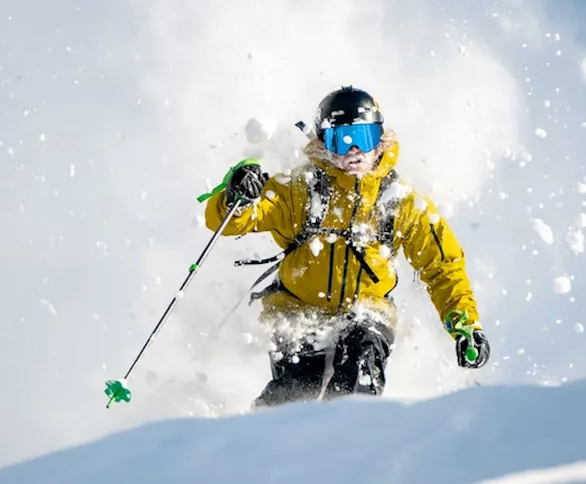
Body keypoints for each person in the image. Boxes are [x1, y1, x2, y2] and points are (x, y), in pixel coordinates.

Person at [202, 85, 490, 408]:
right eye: (343, 141)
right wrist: (237, 197)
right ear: (325, 145)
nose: (354, 153)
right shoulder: (300, 190)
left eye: (363, 138)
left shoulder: (399, 202)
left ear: (380, 141)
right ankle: (264, 441)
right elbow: (232, 220)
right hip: (298, 309)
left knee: (362, 362)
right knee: (296, 390)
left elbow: (442, 265)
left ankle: (347, 435)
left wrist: (465, 324)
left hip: (366, 309)